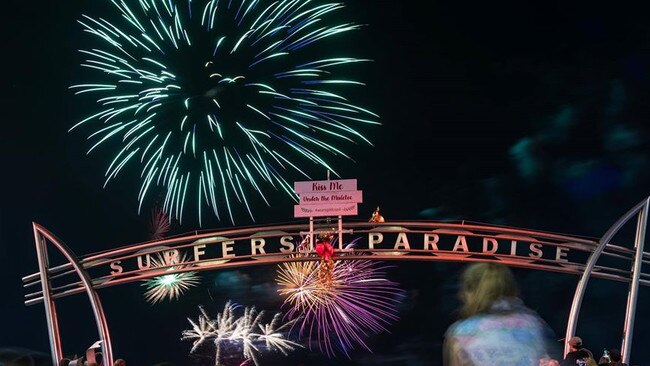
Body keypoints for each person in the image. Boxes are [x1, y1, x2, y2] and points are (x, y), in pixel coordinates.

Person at [443, 263, 557, 365]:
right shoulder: (535, 324)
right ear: (511, 288)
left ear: (471, 292)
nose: (460, 295)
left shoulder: (461, 333)